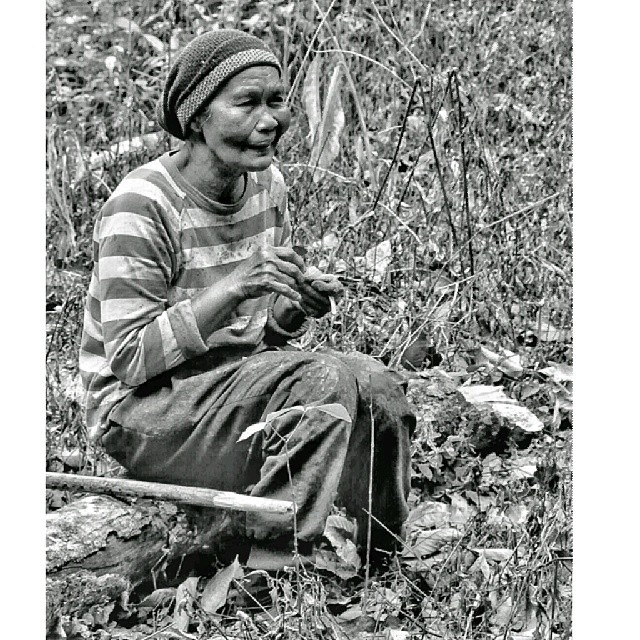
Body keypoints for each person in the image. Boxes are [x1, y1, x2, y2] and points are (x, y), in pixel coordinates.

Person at [79, 29, 415, 563]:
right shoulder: (141, 206)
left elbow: (255, 342)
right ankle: (270, 566)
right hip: (140, 415)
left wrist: (294, 306)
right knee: (322, 381)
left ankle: (383, 560)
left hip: (226, 402)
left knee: (375, 383)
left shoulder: (266, 187)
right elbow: (130, 360)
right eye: (247, 103)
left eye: (277, 100)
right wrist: (234, 286)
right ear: (197, 116)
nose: (270, 120)